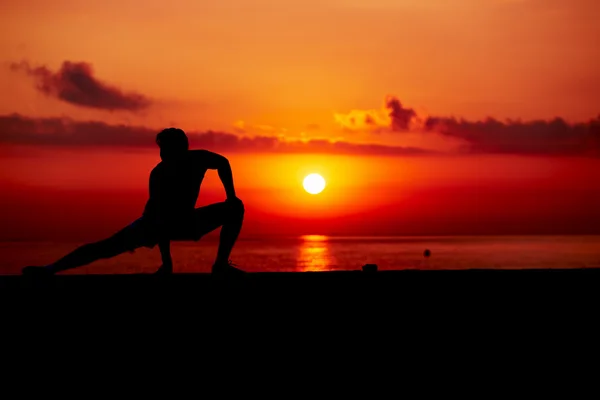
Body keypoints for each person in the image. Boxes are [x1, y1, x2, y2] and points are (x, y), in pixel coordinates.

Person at [22, 128, 245, 276]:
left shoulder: (198, 158)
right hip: (152, 224)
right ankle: (49, 269)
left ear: (181, 148)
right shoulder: (159, 173)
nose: (163, 154)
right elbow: (160, 219)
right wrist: (167, 264)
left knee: (235, 207)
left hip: (185, 220)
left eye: (167, 149)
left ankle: (220, 265)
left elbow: (223, 163)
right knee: (105, 248)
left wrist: (230, 195)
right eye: (161, 150)